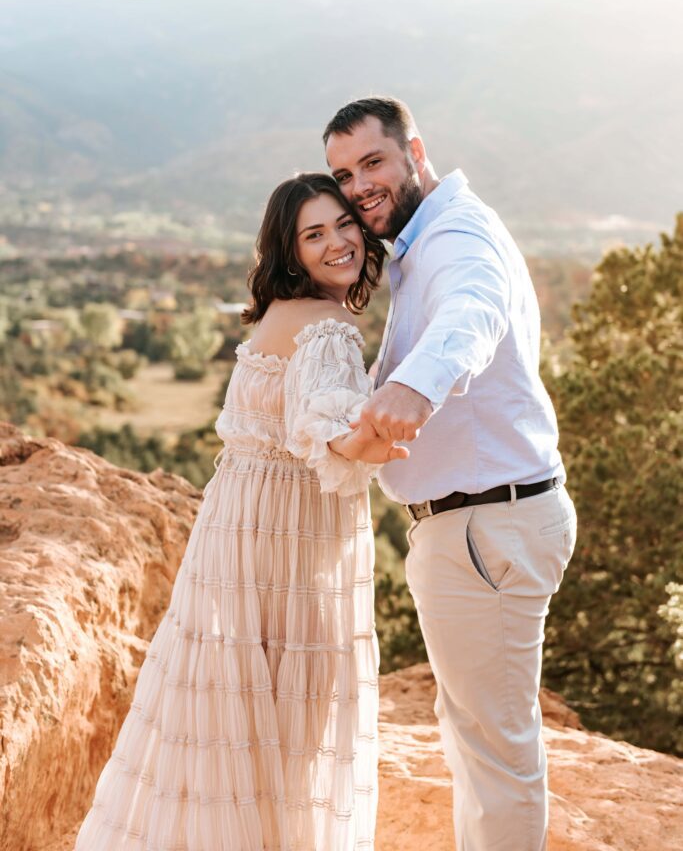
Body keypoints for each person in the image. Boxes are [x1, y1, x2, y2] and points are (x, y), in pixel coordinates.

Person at [74, 173, 407, 851]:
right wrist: (370, 437)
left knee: (220, 724)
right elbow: (322, 422)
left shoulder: (276, 317)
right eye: (314, 234)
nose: (338, 241)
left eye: (343, 223)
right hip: (290, 550)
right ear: (290, 251)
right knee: (294, 738)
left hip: (232, 540)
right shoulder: (329, 330)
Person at [323, 96, 577, 851]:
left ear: (415, 150)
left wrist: (415, 387)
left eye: (373, 161)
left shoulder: (456, 236)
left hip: (485, 524)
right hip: (480, 521)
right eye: (343, 173)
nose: (359, 184)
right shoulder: (421, 242)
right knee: (473, 735)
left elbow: (474, 311)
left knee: (495, 749)